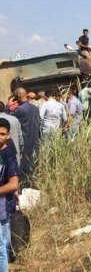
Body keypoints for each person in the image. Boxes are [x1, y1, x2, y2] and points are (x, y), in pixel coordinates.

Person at [0, 119, 19, 272]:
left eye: (2, 134)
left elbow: (13, 184)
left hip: (3, 205)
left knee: (1, 246)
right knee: (3, 243)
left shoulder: (8, 155)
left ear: (8, 136)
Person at [10, 88, 40, 182]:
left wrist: (8, 105)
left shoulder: (19, 109)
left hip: (25, 139)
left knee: (24, 163)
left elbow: (7, 118)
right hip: (35, 138)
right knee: (34, 162)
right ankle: (34, 181)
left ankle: (25, 182)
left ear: (18, 96)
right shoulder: (35, 108)